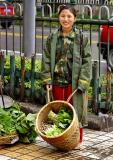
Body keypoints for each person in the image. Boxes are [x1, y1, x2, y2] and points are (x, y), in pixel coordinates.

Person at [41, 5, 92, 145]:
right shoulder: (52, 38)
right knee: (58, 113)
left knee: (75, 111)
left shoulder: (82, 38)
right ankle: (60, 141)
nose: (66, 19)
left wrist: (83, 81)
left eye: (69, 16)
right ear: (58, 18)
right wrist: (47, 79)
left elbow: (87, 61)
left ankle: (75, 141)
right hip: (56, 81)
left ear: (74, 18)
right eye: (63, 16)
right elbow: (46, 58)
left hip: (74, 83)